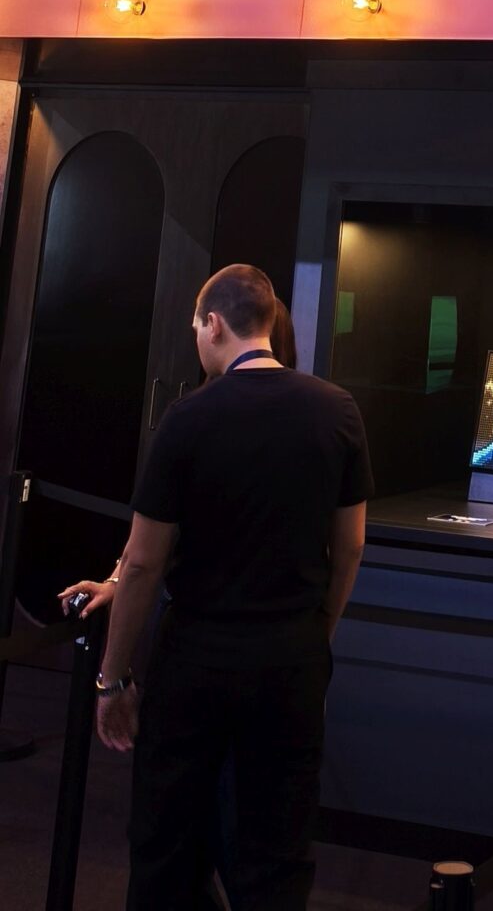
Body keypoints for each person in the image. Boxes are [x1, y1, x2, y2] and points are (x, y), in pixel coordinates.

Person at [90, 264, 372, 911]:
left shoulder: (188, 418)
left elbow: (144, 563)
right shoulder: (337, 410)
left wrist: (113, 679)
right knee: (277, 853)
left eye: (196, 326)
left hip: (198, 657)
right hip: (291, 658)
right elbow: (351, 545)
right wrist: (317, 631)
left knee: (167, 845)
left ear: (213, 324)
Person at [58, 296, 298, 623]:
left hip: (203, 617)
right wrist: (116, 581)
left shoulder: (192, 418)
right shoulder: (311, 419)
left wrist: (114, 659)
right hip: (279, 620)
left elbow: (153, 542)